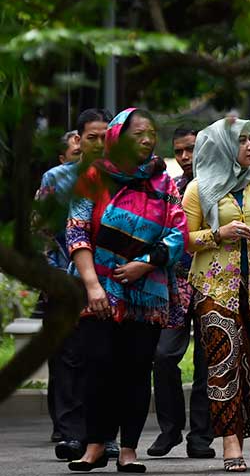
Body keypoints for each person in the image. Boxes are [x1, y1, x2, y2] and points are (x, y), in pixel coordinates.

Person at [65, 108, 187, 473]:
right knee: (97, 366)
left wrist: (145, 263)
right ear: (118, 137)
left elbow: (178, 233)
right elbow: (76, 231)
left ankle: (129, 449)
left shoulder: (163, 183)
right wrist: (92, 287)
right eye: (138, 134)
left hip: (145, 293)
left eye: (151, 134)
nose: (147, 140)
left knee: (136, 371)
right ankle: (95, 446)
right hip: (97, 289)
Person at [184, 116, 250, 473]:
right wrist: (219, 234)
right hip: (214, 288)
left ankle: (239, 427)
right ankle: (230, 441)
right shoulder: (199, 187)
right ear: (223, 146)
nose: (249, 146)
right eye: (241, 140)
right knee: (223, 361)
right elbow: (187, 240)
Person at [35, 108, 110, 462]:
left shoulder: (122, 177)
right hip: (65, 280)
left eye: (105, 137)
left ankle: (103, 434)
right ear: (78, 140)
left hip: (110, 281)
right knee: (67, 359)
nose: (99, 144)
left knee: (103, 359)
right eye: (92, 137)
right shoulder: (57, 178)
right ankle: (69, 434)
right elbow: (41, 230)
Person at [148, 127, 215, 460]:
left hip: (212, 282)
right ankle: (170, 428)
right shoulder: (170, 188)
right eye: (179, 151)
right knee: (163, 356)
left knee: (207, 361)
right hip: (175, 285)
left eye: (191, 149)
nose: (186, 157)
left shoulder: (219, 186)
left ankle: (201, 436)